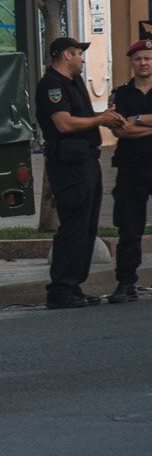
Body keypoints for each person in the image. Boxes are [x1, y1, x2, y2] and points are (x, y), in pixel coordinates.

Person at [35, 37, 126, 309]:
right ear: (65, 55)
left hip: (87, 161)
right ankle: (61, 288)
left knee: (87, 227)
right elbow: (63, 123)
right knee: (74, 226)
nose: (82, 59)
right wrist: (101, 119)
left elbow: (81, 116)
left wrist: (104, 116)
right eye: (78, 54)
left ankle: (74, 285)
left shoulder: (73, 83)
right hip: (69, 165)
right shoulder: (52, 85)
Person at [107, 39, 152, 303]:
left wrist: (135, 119)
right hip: (131, 168)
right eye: (139, 59)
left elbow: (128, 125)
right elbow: (119, 129)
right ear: (131, 63)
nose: (144, 63)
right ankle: (126, 283)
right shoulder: (120, 94)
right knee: (129, 228)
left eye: (148, 58)